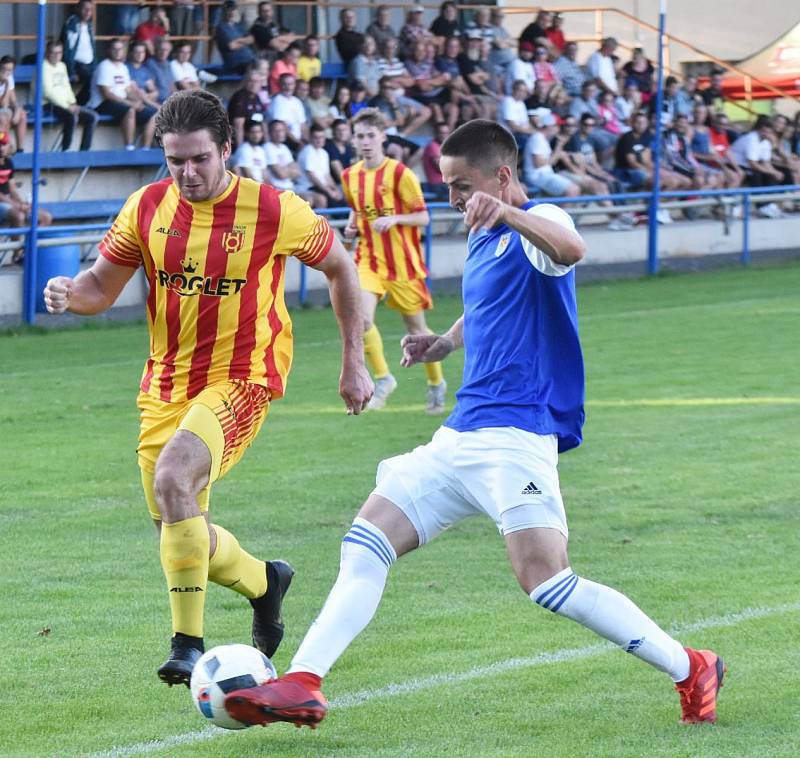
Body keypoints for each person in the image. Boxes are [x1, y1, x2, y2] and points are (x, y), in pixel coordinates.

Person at [223, 118, 726, 731]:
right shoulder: (486, 237)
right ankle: (302, 682)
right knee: (365, 542)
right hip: (458, 440)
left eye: (462, 187)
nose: (454, 199)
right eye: (449, 187)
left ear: (503, 176)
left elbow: (571, 251)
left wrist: (509, 213)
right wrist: (442, 344)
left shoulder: (542, 220)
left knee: (546, 582)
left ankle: (691, 665)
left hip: (516, 438)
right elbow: (485, 303)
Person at [42, 90, 373, 687]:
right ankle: (264, 581)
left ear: (227, 149)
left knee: (174, 481)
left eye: (199, 159)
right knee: (179, 528)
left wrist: (354, 361)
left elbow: (341, 268)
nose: (188, 173)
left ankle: (187, 646)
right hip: (164, 386)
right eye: (175, 161)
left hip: (242, 379)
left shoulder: (273, 209)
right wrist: (70, 295)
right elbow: (100, 286)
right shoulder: (145, 207)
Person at [339, 108, 446, 413]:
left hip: (403, 265)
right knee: (360, 320)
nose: (366, 141)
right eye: (360, 136)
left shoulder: (400, 173)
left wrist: (395, 219)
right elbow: (357, 209)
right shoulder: (350, 176)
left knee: (417, 330)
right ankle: (384, 378)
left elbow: (423, 217)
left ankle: (436, 384)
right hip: (369, 260)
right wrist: (351, 226)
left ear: (383, 136)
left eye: (371, 135)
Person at [88, 39, 157, 150]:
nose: (117, 52)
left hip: (121, 102)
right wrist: (130, 103)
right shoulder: (104, 66)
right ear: (109, 50)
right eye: (114, 49)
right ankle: (129, 147)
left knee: (154, 114)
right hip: (102, 104)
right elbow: (106, 93)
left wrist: (138, 101)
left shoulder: (123, 67)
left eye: (120, 49)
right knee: (130, 110)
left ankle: (145, 148)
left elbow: (128, 90)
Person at [42, 39, 99, 152]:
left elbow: (66, 86)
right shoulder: (43, 67)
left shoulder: (62, 66)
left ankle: (84, 151)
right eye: (53, 52)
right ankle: (66, 149)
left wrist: (72, 102)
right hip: (47, 104)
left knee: (93, 117)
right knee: (72, 117)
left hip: (66, 104)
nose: (57, 56)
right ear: (47, 53)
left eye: (59, 53)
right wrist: (67, 106)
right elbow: (47, 92)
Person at [0, 130, 53, 251]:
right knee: (18, 215)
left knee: (45, 217)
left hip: (9, 203)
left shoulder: (8, 163)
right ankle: (17, 254)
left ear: (9, 146)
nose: (1, 148)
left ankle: (31, 251)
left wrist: (22, 204)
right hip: (3, 204)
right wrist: (18, 206)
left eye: (3, 144)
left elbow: (12, 189)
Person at [296, 124, 344, 208]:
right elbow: (312, 177)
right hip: (308, 187)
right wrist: (328, 191)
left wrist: (335, 189)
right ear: (310, 138)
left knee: (343, 194)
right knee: (324, 199)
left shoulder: (324, 153)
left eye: (321, 137)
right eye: (316, 137)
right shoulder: (308, 151)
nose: (319, 140)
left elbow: (327, 176)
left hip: (321, 187)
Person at [61, 0, 96, 105]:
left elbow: (92, 48)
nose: (88, 12)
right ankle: (78, 104)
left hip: (89, 65)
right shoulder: (73, 23)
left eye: (90, 10)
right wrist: (71, 71)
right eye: (85, 9)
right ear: (78, 9)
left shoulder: (89, 26)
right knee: (94, 80)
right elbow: (69, 50)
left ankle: (79, 104)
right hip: (77, 65)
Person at [227, 68, 267, 150]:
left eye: (256, 82)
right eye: (250, 81)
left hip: (255, 143)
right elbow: (238, 125)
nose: (253, 84)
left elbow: (263, 122)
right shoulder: (240, 97)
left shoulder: (257, 98)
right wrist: (240, 148)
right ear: (245, 82)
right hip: (242, 144)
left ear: (260, 84)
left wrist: (267, 144)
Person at [216, 1, 256, 75]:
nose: (231, 12)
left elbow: (252, 39)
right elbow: (232, 46)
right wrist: (245, 42)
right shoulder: (221, 28)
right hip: (236, 64)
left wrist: (238, 40)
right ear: (224, 11)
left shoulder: (238, 25)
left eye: (233, 9)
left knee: (263, 64)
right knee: (257, 67)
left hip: (248, 61)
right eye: (229, 10)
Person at [0, 57, 27, 152]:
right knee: (4, 117)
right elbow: (3, 104)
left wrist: (17, 110)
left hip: (4, 108)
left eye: (9, 70)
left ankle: (20, 150)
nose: (6, 72)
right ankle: (4, 150)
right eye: (4, 69)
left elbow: (13, 100)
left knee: (22, 114)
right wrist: (6, 85)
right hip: (2, 109)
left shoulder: (9, 78)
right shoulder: (6, 80)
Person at [421, 120, 451, 198]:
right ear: (436, 133)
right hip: (438, 185)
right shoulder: (432, 147)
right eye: (441, 133)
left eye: (446, 133)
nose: (444, 135)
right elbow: (441, 168)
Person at [325, 118, 356, 184]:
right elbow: (340, 175)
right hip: (336, 184)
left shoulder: (348, 147)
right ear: (333, 131)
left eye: (344, 130)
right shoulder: (329, 146)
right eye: (338, 130)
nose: (342, 133)